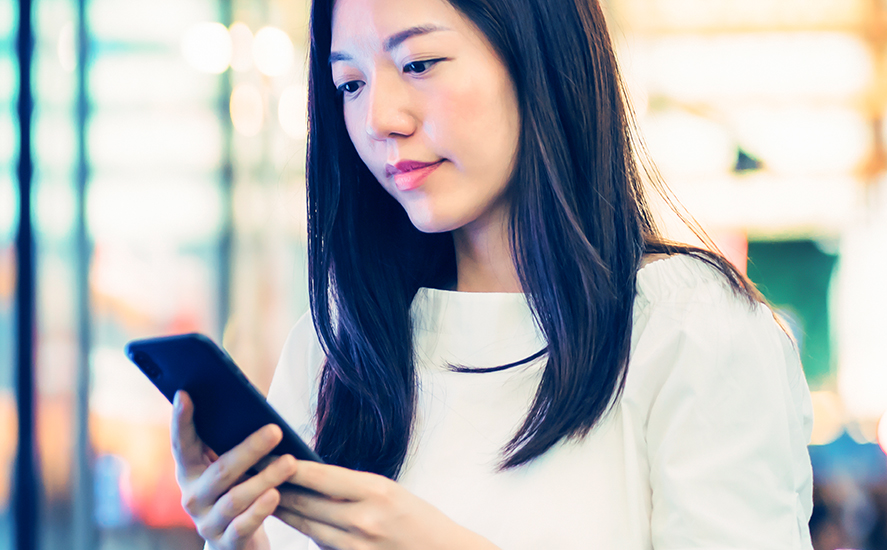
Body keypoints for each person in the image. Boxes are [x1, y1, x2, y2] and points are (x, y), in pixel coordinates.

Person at [169, 0, 813, 548]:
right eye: (350, 84)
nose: (378, 119)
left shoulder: (689, 329)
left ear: (539, 54)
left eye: (419, 64)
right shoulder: (341, 341)